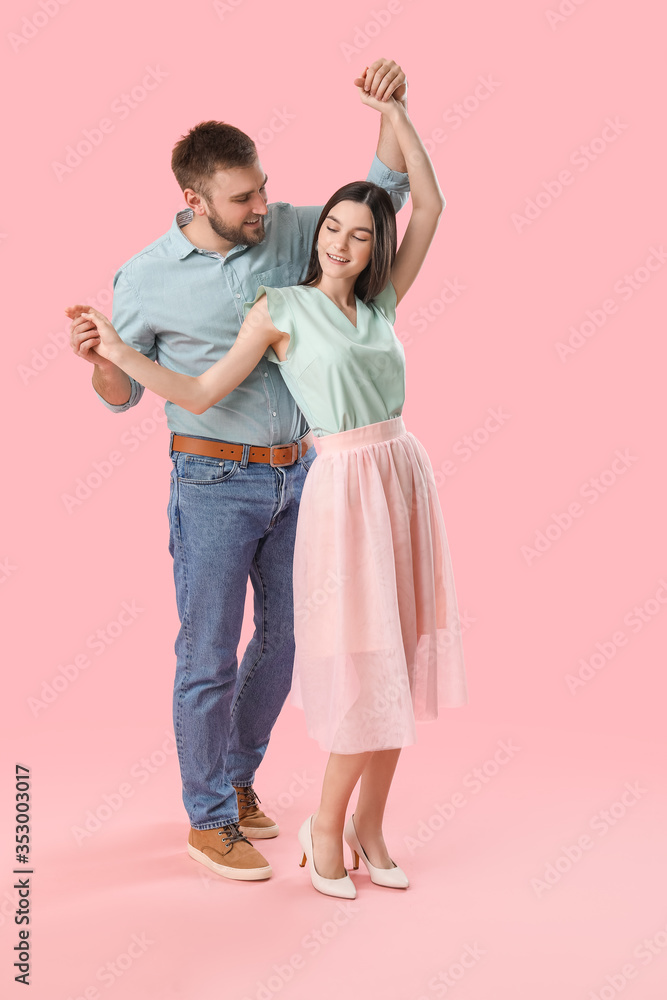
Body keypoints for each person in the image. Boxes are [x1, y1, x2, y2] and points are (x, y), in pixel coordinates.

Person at [68, 84, 468, 899]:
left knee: (285, 645)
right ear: (194, 198)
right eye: (244, 196)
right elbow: (156, 392)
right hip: (214, 476)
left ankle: (243, 777)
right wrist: (106, 356)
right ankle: (209, 812)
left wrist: (391, 105)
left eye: (263, 188)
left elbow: (390, 198)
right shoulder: (152, 279)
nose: (265, 206)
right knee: (208, 651)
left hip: (307, 474)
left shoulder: (305, 234)